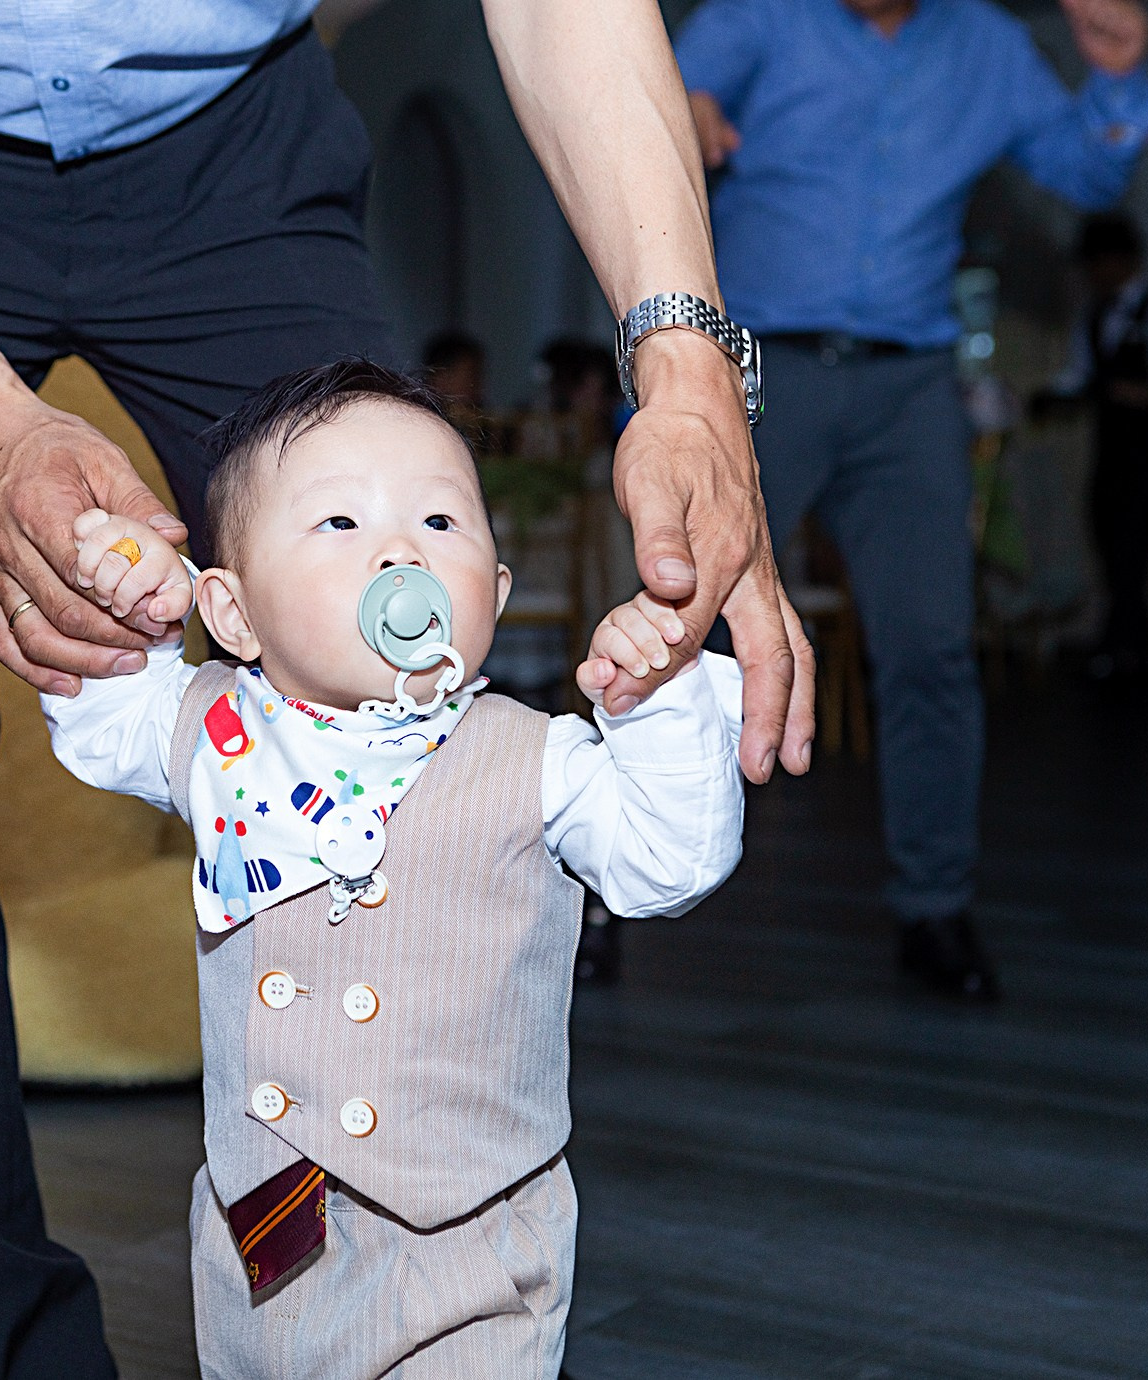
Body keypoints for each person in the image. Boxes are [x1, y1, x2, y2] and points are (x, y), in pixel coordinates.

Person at [0, 1, 815, 1373]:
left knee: (399, 668)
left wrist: (683, 373)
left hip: (231, 155)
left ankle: (413, 1307)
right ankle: (1, 1340)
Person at [41, 360, 745, 1376]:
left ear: (494, 594)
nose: (401, 551)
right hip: (265, 1232)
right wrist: (135, 607)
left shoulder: (534, 757)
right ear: (232, 615)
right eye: (339, 525)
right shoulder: (209, 728)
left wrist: (661, 706)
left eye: (443, 523)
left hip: (468, 1239)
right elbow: (98, 715)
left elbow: (667, 863)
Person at [676, 0, 1148, 1000]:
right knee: (688, 631)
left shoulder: (986, 46)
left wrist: (1113, 84)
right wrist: (682, 112)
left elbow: (1084, 170)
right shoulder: (757, 16)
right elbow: (657, 104)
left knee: (933, 649)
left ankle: (936, 909)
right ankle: (600, 892)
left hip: (911, 388)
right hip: (760, 371)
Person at [1049, 212, 1148, 682]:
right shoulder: (1094, 316)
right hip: (1110, 450)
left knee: (1137, 544)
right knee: (1109, 541)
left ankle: (1123, 643)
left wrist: (1115, 390)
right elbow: (1079, 374)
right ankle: (1137, 644)